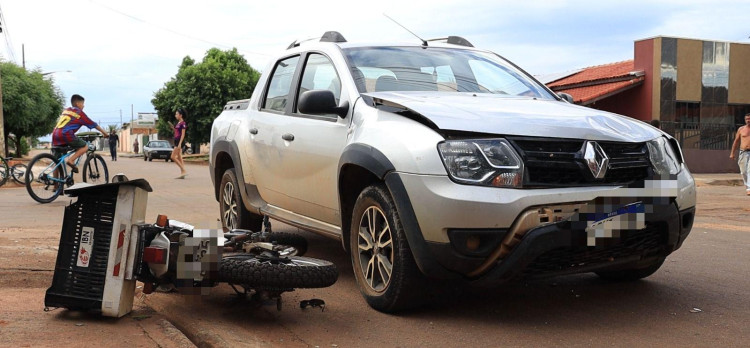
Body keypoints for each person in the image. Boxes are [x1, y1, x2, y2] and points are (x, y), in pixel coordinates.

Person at [52, 94, 109, 172]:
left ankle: (56, 184)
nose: (83, 106)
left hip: (55, 134)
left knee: (57, 162)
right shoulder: (80, 113)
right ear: (78, 104)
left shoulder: (66, 110)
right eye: (82, 104)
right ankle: (71, 160)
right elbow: (94, 124)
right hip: (66, 135)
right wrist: (105, 133)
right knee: (85, 146)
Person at [730, 113, 750, 195]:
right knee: (743, 171)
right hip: (743, 152)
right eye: (747, 119)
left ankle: (749, 188)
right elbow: (736, 141)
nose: (748, 120)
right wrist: (732, 153)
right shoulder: (741, 129)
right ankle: (747, 185)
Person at [169, 109, 187, 179]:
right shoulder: (178, 123)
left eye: (176, 114)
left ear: (180, 115)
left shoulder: (183, 123)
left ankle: (184, 170)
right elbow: (176, 132)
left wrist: (180, 144)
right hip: (176, 140)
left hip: (179, 141)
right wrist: (173, 128)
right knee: (179, 156)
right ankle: (182, 173)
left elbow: (183, 135)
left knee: (173, 157)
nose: (175, 115)